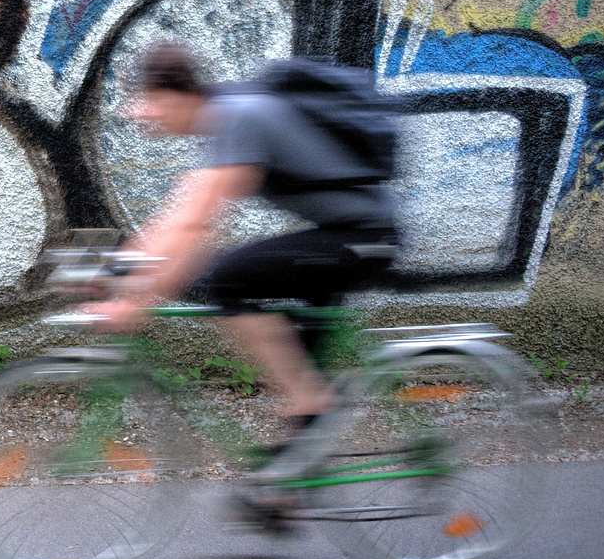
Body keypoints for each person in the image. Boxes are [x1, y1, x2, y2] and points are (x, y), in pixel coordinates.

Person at [83, 42, 398, 440]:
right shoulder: (223, 115)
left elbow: (196, 226)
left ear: (183, 95)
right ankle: (289, 483)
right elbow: (174, 217)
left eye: (152, 100)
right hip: (346, 235)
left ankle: (308, 401)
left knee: (228, 278)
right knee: (297, 358)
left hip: (364, 240)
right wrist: (112, 272)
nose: (141, 113)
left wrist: (133, 303)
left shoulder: (239, 117)